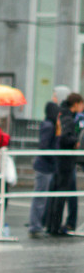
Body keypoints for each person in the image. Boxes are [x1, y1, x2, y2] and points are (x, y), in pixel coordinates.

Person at [46, 92, 84, 235]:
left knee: (59, 194)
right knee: (61, 195)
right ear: (76, 104)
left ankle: (54, 226)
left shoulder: (64, 115)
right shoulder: (68, 117)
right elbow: (64, 138)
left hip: (62, 162)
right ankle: (55, 227)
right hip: (65, 162)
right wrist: (75, 142)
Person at [28, 101, 59, 237]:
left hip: (47, 166)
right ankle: (35, 225)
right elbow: (45, 146)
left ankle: (37, 224)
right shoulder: (49, 125)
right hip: (45, 166)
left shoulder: (50, 124)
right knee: (40, 198)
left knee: (42, 197)